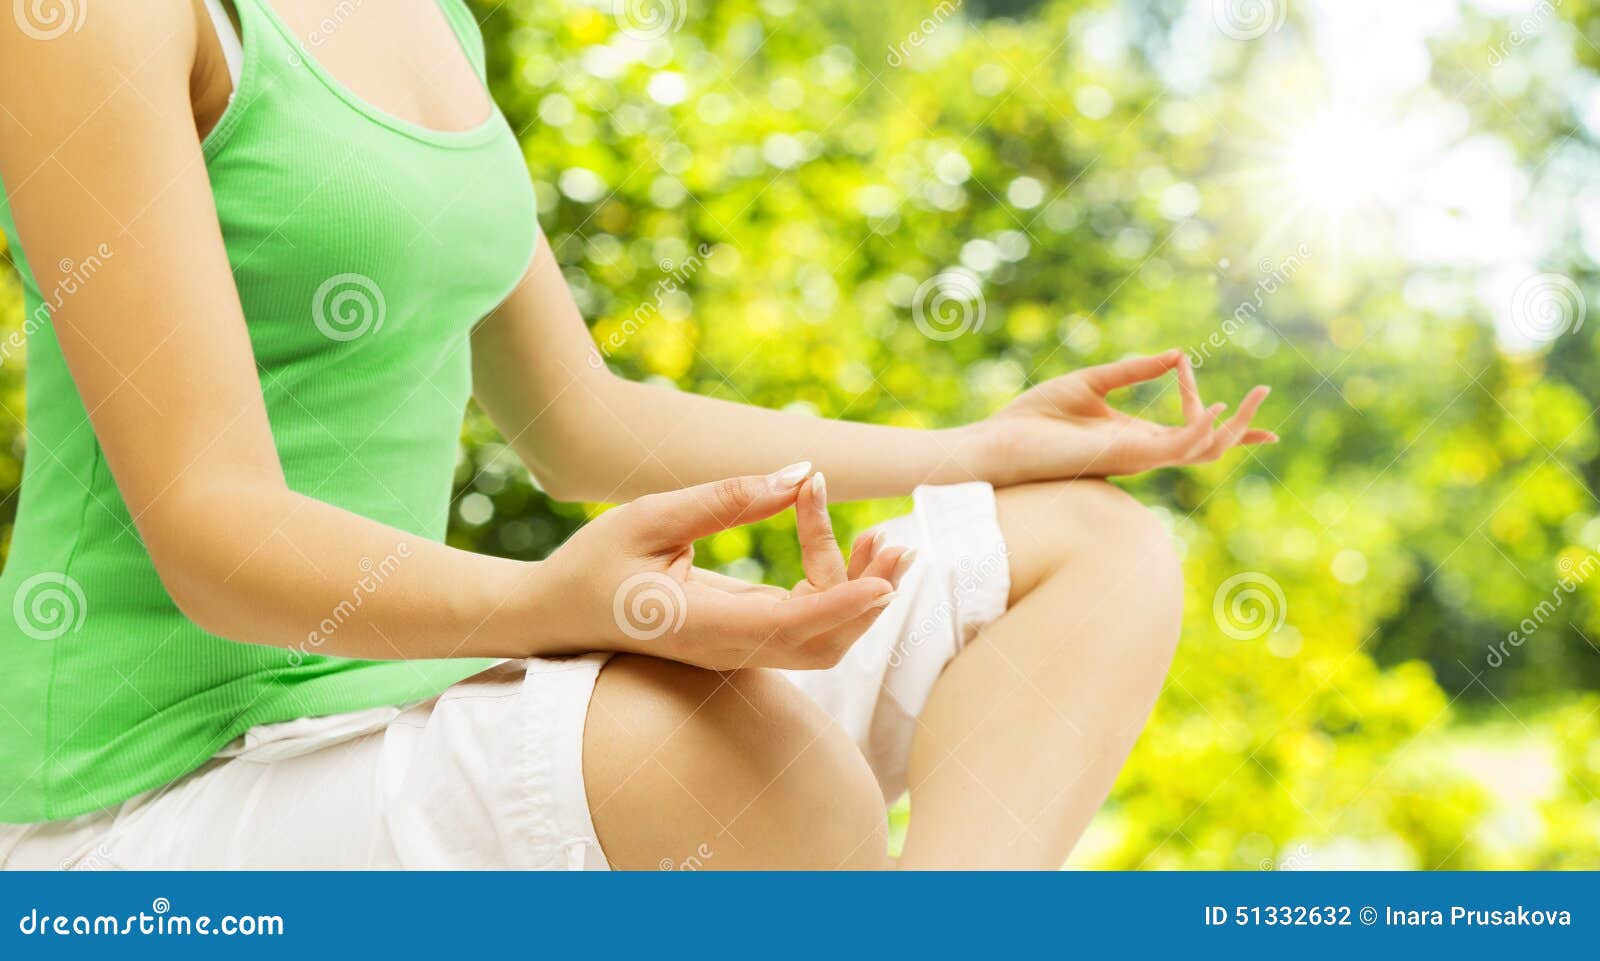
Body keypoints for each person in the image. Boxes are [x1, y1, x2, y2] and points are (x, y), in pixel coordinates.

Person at [0, 0, 1274, 870]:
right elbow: (214, 529)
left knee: (1088, 554)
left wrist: (976, 449)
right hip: (148, 799)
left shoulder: (429, 19)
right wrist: (569, 606)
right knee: (752, 768)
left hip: (404, 710)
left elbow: (584, 423)